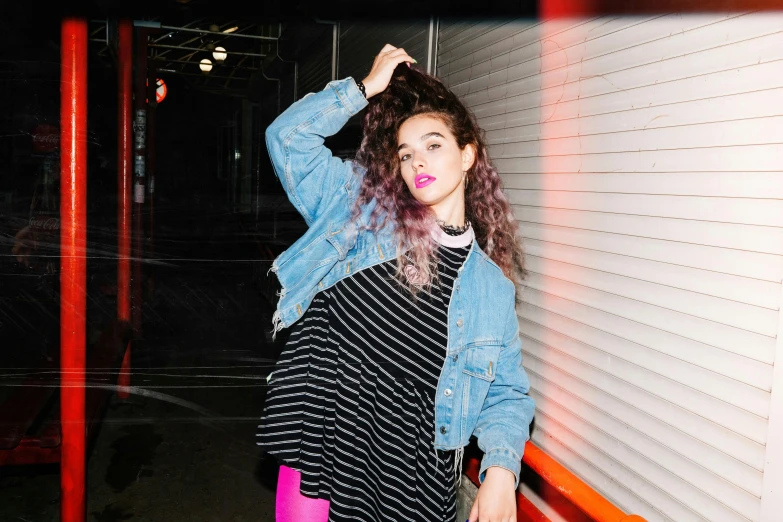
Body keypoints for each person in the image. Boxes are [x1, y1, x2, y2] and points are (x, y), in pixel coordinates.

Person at [257, 44, 535, 522]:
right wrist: (363, 89)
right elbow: (287, 138)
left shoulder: (490, 288)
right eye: (406, 154)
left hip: (408, 474)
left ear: (467, 155)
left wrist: (501, 472)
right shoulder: (362, 212)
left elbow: (507, 394)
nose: (417, 163)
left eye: (433, 145)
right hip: (327, 436)